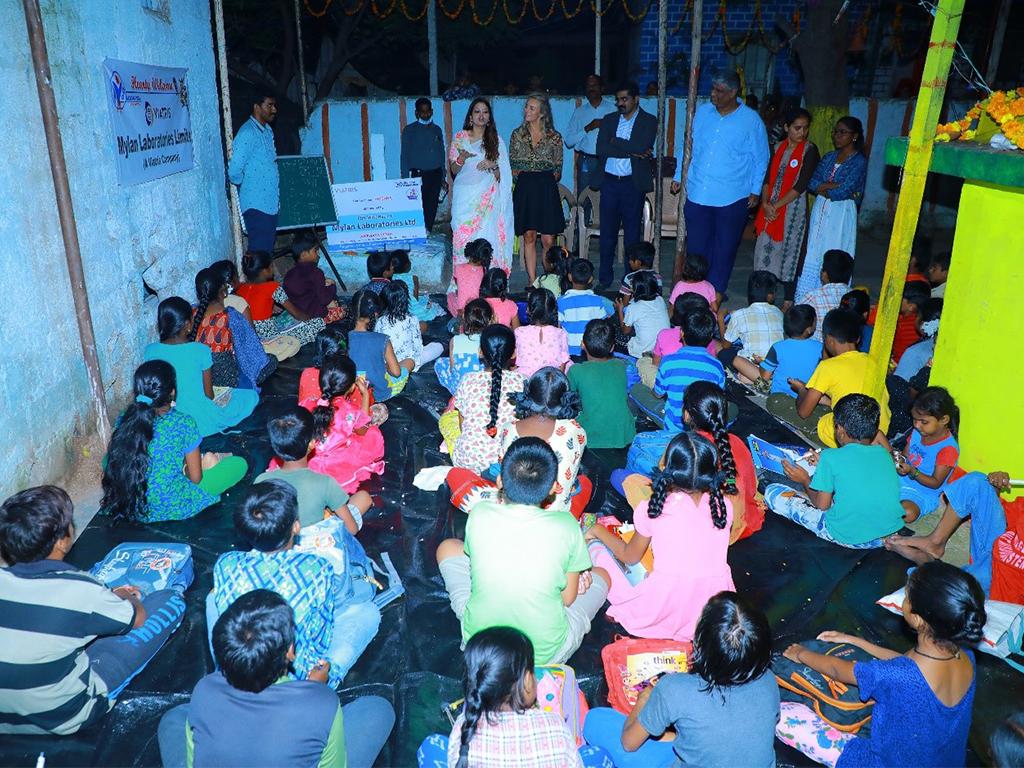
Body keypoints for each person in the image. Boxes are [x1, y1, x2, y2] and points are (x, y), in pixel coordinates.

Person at [0, 485, 186, 735]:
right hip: (62, 716)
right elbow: (138, 619)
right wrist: (128, 597)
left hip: (4, 720)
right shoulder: (80, 589)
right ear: (62, 541)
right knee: (168, 599)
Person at [777, 561, 984, 768]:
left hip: (886, 763)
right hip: (948, 761)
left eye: (906, 597)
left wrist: (801, 654)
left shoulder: (896, 676)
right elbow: (904, 663)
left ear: (918, 619)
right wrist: (856, 641)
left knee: (783, 717)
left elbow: (838, 669)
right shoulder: (964, 655)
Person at [158, 590, 395, 768]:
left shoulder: (205, 689)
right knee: (377, 709)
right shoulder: (321, 702)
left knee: (176, 717)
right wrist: (315, 691)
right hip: (314, 703)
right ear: (291, 651)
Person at [436, 437, 609, 664]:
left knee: (447, 547)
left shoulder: (480, 514)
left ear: (499, 481)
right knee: (602, 575)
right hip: (543, 654)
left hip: (480, 643)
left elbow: (473, 561)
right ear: (553, 489)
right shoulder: (566, 525)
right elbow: (567, 599)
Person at [209, 480, 380, 687]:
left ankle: (224, 668)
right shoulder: (316, 567)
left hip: (239, 668)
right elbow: (321, 636)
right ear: (296, 527)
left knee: (212, 597)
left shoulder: (226, 563)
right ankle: (319, 685)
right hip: (297, 679)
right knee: (368, 612)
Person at [584, 592, 779, 768]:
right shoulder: (768, 681)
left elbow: (629, 743)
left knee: (595, 720)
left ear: (699, 646)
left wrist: (644, 699)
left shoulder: (675, 689)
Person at [586, 432, 735, 641]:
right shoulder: (724, 506)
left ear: (667, 468)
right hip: (713, 610)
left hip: (662, 605)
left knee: (597, 551)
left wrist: (597, 531)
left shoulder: (654, 509)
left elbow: (630, 557)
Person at [416, 626, 612, 768]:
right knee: (596, 755)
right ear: (527, 682)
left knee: (431, 745)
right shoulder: (553, 725)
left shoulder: (463, 728)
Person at [101, 361, 248, 524]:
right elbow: (196, 478)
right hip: (173, 505)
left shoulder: (124, 419)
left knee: (109, 458)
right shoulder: (184, 422)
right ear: (172, 392)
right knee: (239, 464)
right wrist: (188, 467)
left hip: (131, 503)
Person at [671, 69, 769, 295]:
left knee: (724, 250)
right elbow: (687, 145)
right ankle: (695, 293)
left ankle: (715, 294)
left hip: (732, 196)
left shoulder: (751, 121)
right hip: (698, 193)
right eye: (713, 88)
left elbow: (761, 158)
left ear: (734, 92)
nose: (713, 94)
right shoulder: (702, 113)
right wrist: (678, 175)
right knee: (696, 248)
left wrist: (755, 190)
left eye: (719, 90)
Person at [765, 394, 904, 548]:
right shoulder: (884, 454)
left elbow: (822, 506)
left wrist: (804, 479)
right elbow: (859, 474)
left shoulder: (830, 457)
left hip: (849, 536)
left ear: (841, 430)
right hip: (889, 532)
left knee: (773, 492)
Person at [144, 297, 259, 437]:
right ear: (188, 324)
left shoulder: (150, 351)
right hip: (200, 420)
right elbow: (209, 395)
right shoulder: (201, 350)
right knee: (250, 396)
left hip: (167, 416)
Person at [886, 471, 1011, 594]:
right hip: (1002, 548)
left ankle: (927, 563)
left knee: (949, 593)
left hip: (1005, 576)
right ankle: (935, 542)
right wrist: (995, 487)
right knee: (977, 482)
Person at [256, 406, 373, 529]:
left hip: (280, 540)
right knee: (364, 497)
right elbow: (352, 529)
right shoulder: (325, 482)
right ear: (312, 443)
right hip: (317, 541)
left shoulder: (261, 480)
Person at [788, 308, 891, 446]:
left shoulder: (828, 367)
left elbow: (804, 412)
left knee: (778, 401)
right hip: (878, 432)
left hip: (850, 436)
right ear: (858, 338)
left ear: (829, 341)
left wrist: (801, 389)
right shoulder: (874, 361)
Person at [793, 116, 868, 301]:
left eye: (842, 132)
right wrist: (830, 186)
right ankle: (808, 297)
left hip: (841, 213)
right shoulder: (829, 157)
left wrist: (825, 187)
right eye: (836, 131)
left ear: (855, 136)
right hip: (821, 210)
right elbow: (812, 183)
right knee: (814, 249)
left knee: (835, 248)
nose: (837, 136)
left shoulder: (858, 162)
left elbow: (844, 191)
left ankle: (833, 298)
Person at [593, 81, 658, 288]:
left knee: (632, 236)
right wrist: (633, 151)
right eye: (618, 99)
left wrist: (616, 142)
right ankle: (604, 279)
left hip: (632, 185)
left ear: (635, 99)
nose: (620, 103)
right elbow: (601, 149)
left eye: (624, 99)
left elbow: (642, 146)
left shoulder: (649, 121)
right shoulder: (610, 119)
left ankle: (630, 281)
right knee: (607, 235)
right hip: (610, 183)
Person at [753, 107, 820, 302]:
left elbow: (801, 185)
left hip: (792, 210)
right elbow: (767, 179)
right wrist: (765, 203)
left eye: (805, 128)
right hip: (770, 207)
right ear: (786, 127)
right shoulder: (776, 148)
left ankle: (788, 300)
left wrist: (777, 205)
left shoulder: (810, 150)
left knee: (790, 252)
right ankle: (764, 296)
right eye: (797, 128)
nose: (802, 133)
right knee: (765, 249)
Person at [500, 368, 589, 514]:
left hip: (512, 511)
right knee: (585, 483)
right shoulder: (575, 430)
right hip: (557, 514)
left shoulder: (508, 429)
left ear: (528, 395)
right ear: (565, 399)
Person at [296, 355, 386, 493]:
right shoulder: (350, 412)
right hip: (333, 465)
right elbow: (362, 431)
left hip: (304, 459)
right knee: (373, 434)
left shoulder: (307, 403)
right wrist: (365, 396)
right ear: (351, 387)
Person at [630, 308, 725, 432]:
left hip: (674, 425)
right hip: (706, 426)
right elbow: (718, 399)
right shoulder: (717, 366)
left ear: (681, 332)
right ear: (711, 336)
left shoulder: (669, 362)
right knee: (731, 408)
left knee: (637, 389)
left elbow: (658, 394)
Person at [449, 98, 514, 272]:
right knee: (461, 234)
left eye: (485, 112)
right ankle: (462, 278)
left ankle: (487, 278)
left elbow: (503, 177)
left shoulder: (496, 141)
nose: (481, 115)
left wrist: (492, 165)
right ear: (471, 116)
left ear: (489, 117)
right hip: (464, 197)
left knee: (487, 235)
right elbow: (454, 170)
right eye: (477, 111)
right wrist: (461, 158)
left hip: (487, 200)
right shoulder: (460, 137)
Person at [450, 325, 525, 473]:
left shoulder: (468, 380)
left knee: (447, 419)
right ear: (513, 354)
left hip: (468, 463)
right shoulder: (523, 382)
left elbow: (461, 423)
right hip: (509, 467)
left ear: (480, 352)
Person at [510, 93, 565, 284]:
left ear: (542, 113)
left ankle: (549, 280)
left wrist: (539, 173)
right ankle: (532, 281)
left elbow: (558, 169)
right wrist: (532, 172)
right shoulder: (517, 135)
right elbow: (514, 166)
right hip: (525, 188)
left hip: (546, 189)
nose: (526, 110)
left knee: (549, 240)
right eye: (526, 106)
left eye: (531, 108)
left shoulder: (554, 137)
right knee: (529, 236)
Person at [192, 267, 277, 389]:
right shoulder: (231, 316)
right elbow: (248, 350)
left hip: (200, 375)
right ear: (223, 291)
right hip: (226, 376)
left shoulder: (192, 314)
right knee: (271, 361)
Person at [753, 304, 826, 429]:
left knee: (741, 363)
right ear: (809, 329)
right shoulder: (821, 348)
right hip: (807, 399)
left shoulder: (778, 347)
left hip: (779, 396)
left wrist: (761, 363)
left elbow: (765, 376)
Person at [893, 387, 959, 523]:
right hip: (901, 479)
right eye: (914, 420)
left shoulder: (948, 449)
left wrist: (912, 471)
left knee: (908, 513)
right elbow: (906, 454)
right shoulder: (918, 432)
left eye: (924, 422)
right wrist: (899, 459)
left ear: (944, 419)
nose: (917, 425)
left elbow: (935, 483)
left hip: (922, 493)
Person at [569, 318, 636, 449]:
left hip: (590, 437)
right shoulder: (620, 365)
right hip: (624, 434)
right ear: (612, 347)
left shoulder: (576, 370)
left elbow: (566, 399)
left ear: (582, 344)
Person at [235, 250, 326, 346]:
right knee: (318, 322)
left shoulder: (240, 288)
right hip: (269, 336)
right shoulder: (272, 287)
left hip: (248, 335)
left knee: (281, 317)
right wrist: (310, 319)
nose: (273, 269)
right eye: (271, 266)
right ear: (264, 271)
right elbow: (296, 313)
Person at [228, 93, 279, 253]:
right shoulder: (247, 133)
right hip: (256, 205)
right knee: (259, 256)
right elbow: (234, 171)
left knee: (266, 253)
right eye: (269, 105)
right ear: (257, 106)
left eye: (274, 105)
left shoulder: (267, 131)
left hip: (270, 204)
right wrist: (250, 185)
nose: (274, 110)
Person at [640, 293, 718, 387]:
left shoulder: (664, 334)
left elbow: (656, 364)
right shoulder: (710, 341)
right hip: (700, 390)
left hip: (670, 383)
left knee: (643, 362)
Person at [347, 289, 413, 401]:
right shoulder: (382, 339)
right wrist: (386, 366)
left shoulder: (343, 338)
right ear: (376, 314)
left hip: (351, 393)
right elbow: (396, 373)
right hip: (379, 394)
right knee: (410, 362)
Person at [716, 270, 784, 373]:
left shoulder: (739, 315)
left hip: (751, 367)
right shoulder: (778, 312)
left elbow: (726, 345)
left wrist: (720, 319)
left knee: (719, 348)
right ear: (770, 296)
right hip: (775, 366)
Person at [564, 74, 617, 193]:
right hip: (586, 161)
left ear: (602, 88)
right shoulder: (580, 112)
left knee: (609, 196)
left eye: (594, 85)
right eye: (588, 86)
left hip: (608, 160)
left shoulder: (613, 109)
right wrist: (587, 128)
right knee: (585, 199)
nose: (591, 88)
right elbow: (568, 141)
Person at [375, 280, 444, 371]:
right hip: (411, 362)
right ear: (406, 300)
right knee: (439, 346)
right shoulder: (412, 319)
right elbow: (417, 345)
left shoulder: (380, 321)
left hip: (388, 364)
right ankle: (404, 369)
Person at [401, 97, 447, 231]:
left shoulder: (437, 130)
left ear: (432, 111)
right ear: (417, 113)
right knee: (418, 207)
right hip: (418, 175)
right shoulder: (409, 131)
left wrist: (443, 177)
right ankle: (419, 233)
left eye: (428, 111)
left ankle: (428, 231)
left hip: (436, 174)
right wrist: (405, 179)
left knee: (432, 207)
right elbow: (404, 155)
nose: (425, 114)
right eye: (422, 111)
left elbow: (441, 153)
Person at [435, 298, 493, 395]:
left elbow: (452, 368)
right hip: (485, 387)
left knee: (440, 362)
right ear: (490, 319)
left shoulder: (455, 340)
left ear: (464, 319)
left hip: (461, 390)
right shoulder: (491, 341)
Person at [558, 258, 613, 357]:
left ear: (570, 277)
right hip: (590, 351)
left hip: (568, 351)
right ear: (591, 279)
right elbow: (601, 325)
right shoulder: (598, 301)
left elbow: (557, 327)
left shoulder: (561, 301)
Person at [283, 237, 345, 324]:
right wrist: (332, 286)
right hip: (314, 316)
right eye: (315, 251)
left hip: (296, 313)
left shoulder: (289, 274)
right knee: (341, 311)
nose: (318, 254)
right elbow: (324, 299)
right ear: (304, 254)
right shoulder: (316, 272)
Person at [798, 248, 854, 341]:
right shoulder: (854, 297)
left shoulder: (812, 297)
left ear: (824, 275)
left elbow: (796, 326)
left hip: (817, 351)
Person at [515, 288, 570, 377]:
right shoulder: (561, 333)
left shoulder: (519, 332)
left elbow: (517, 359)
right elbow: (563, 364)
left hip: (526, 379)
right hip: (552, 379)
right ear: (554, 311)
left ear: (528, 309)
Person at [615, 269, 670, 358]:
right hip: (662, 348)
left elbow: (625, 331)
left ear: (636, 289)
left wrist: (620, 310)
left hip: (643, 352)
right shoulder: (660, 300)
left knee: (617, 333)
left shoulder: (633, 308)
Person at [391, 248, 443, 322]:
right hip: (412, 308)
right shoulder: (413, 278)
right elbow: (415, 297)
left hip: (398, 308)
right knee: (429, 306)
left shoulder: (392, 278)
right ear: (407, 265)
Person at [449, 237, 492, 317]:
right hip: (477, 309)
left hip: (460, 310)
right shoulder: (483, 271)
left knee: (450, 296)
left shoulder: (458, 268)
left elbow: (457, 283)